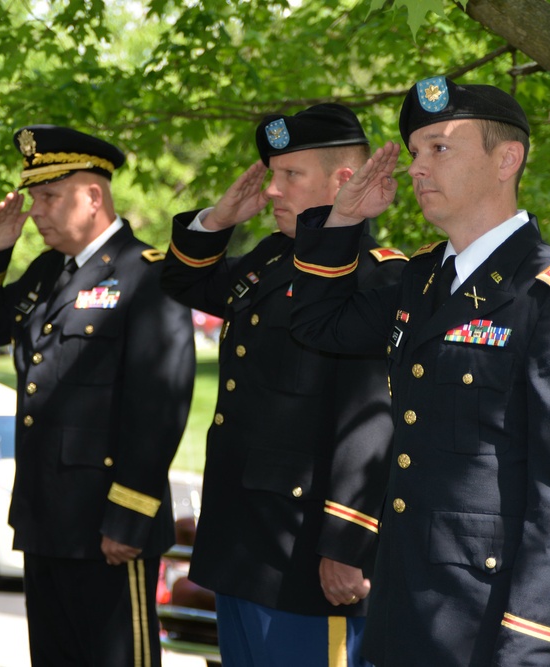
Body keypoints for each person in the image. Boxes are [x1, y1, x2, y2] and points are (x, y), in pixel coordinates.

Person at [289, 77, 550, 666]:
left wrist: (530, 649)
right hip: (403, 616)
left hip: (492, 630)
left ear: (507, 159)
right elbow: (318, 324)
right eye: (415, 152)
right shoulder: (419, 280)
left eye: (440, 148)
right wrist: (341, 223)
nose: (417, 168)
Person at [160, 104, 404, 666]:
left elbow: (369, 419)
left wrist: (347, 545)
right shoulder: (272, 259)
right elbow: (181, 280)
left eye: (290, 175)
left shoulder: (377, 276)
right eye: (273, 175)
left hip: (306, 558)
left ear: (345, 182)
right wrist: (219, 220)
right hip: (242, 546)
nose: (272, 190)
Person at [0, 125, 195, 667]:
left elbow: (160, 403)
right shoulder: (49, 273)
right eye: (35, 197)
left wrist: (130, 514)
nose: (36, 211)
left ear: (93, 197)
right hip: (46, 518)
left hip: (109, 526)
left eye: (49, 196)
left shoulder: (148, 277)